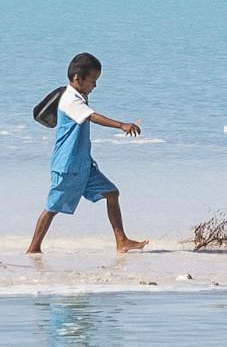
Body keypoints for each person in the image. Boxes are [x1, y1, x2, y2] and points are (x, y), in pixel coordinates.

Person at [27, 50, 147, 254]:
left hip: (83, 164)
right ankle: (33, 248)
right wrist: (121, 125)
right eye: (92, 81)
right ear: (77, 78)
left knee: (112, 193)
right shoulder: (70, 100)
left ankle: (122, 241)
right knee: (52, 207)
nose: (95, 85)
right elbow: (92, 117)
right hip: (67, 166)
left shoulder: (78, 96)